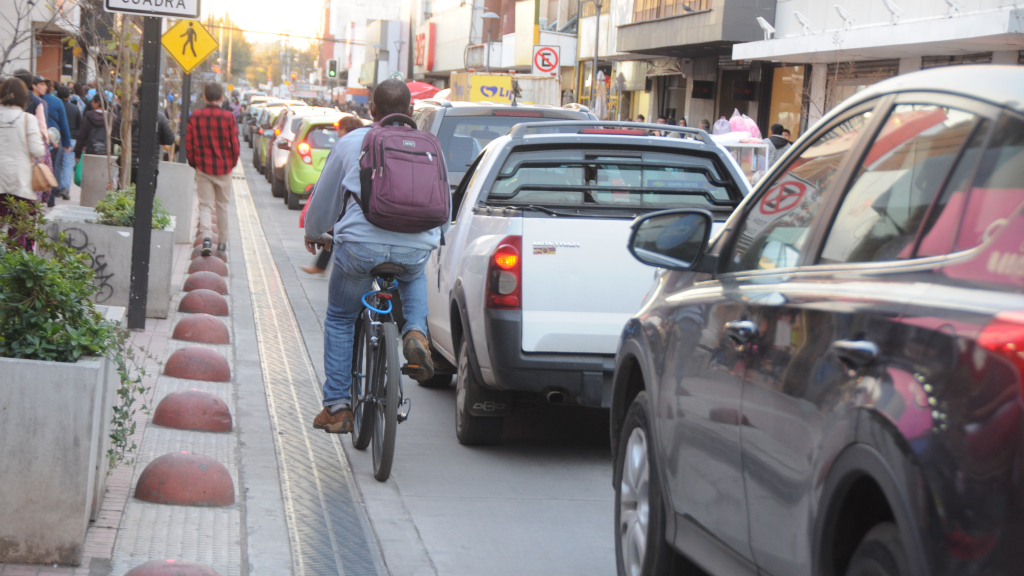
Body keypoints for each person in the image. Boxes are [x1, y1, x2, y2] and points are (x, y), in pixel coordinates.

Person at [303, 79, 447, 434]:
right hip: (415, 246)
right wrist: (434, 240)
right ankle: (414, 331)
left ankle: (337, 406)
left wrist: (314, 232)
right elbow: (443, 203)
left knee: (340, 317)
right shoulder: (432, 146)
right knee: (414, 273)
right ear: (411, 111)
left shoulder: (352, 141)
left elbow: (325, 198)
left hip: (359, 246)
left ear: (371, 109)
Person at [299, 115, 365, 276]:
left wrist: (312, 232)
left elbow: (325, 192)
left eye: (339, 129)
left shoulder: (345, 145)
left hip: (351, 213)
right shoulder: (369, 142)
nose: (337, 133)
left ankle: (321, 266)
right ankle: (321, 265)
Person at [186, 83, 239, 257]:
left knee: (205, 205)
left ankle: (207, 238)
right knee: (222, 206)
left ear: (205, 98)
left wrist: (195, 162)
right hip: (224, 168)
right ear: (222, 98)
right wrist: (231, 163)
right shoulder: (228, 117)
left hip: (203, 167)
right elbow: (235, 144)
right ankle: (222, 244)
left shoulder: (196, 116)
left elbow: (189, 143)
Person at [0, 78, 47, 248]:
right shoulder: (28, 119)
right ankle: (14, 268)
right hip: (21, 183)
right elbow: (38, 150)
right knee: (19, 230)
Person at [116, 99, 175, 186]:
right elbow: (170, 139)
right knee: (147, 197)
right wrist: (157, 139)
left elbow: (115, 136)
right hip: (150, 167)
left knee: (125, 195)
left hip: (128, 164)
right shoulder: (159, 117)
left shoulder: (125, 114)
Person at [57, 85, 81, 196]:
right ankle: (65, 188)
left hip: (56, 138)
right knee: (68, 165)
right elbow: (79, 125)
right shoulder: (75, 108)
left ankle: (55, 187)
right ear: (69, 96)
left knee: (56, 164)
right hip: (71, 139)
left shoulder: (55, 106)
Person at [75, 94, 111, 159]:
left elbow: (81, 134)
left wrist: (77, 152)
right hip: (108, 150)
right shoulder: (111, 117)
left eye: (93, 101)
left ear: (97, 103)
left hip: (91, 149)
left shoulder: (88, 116)